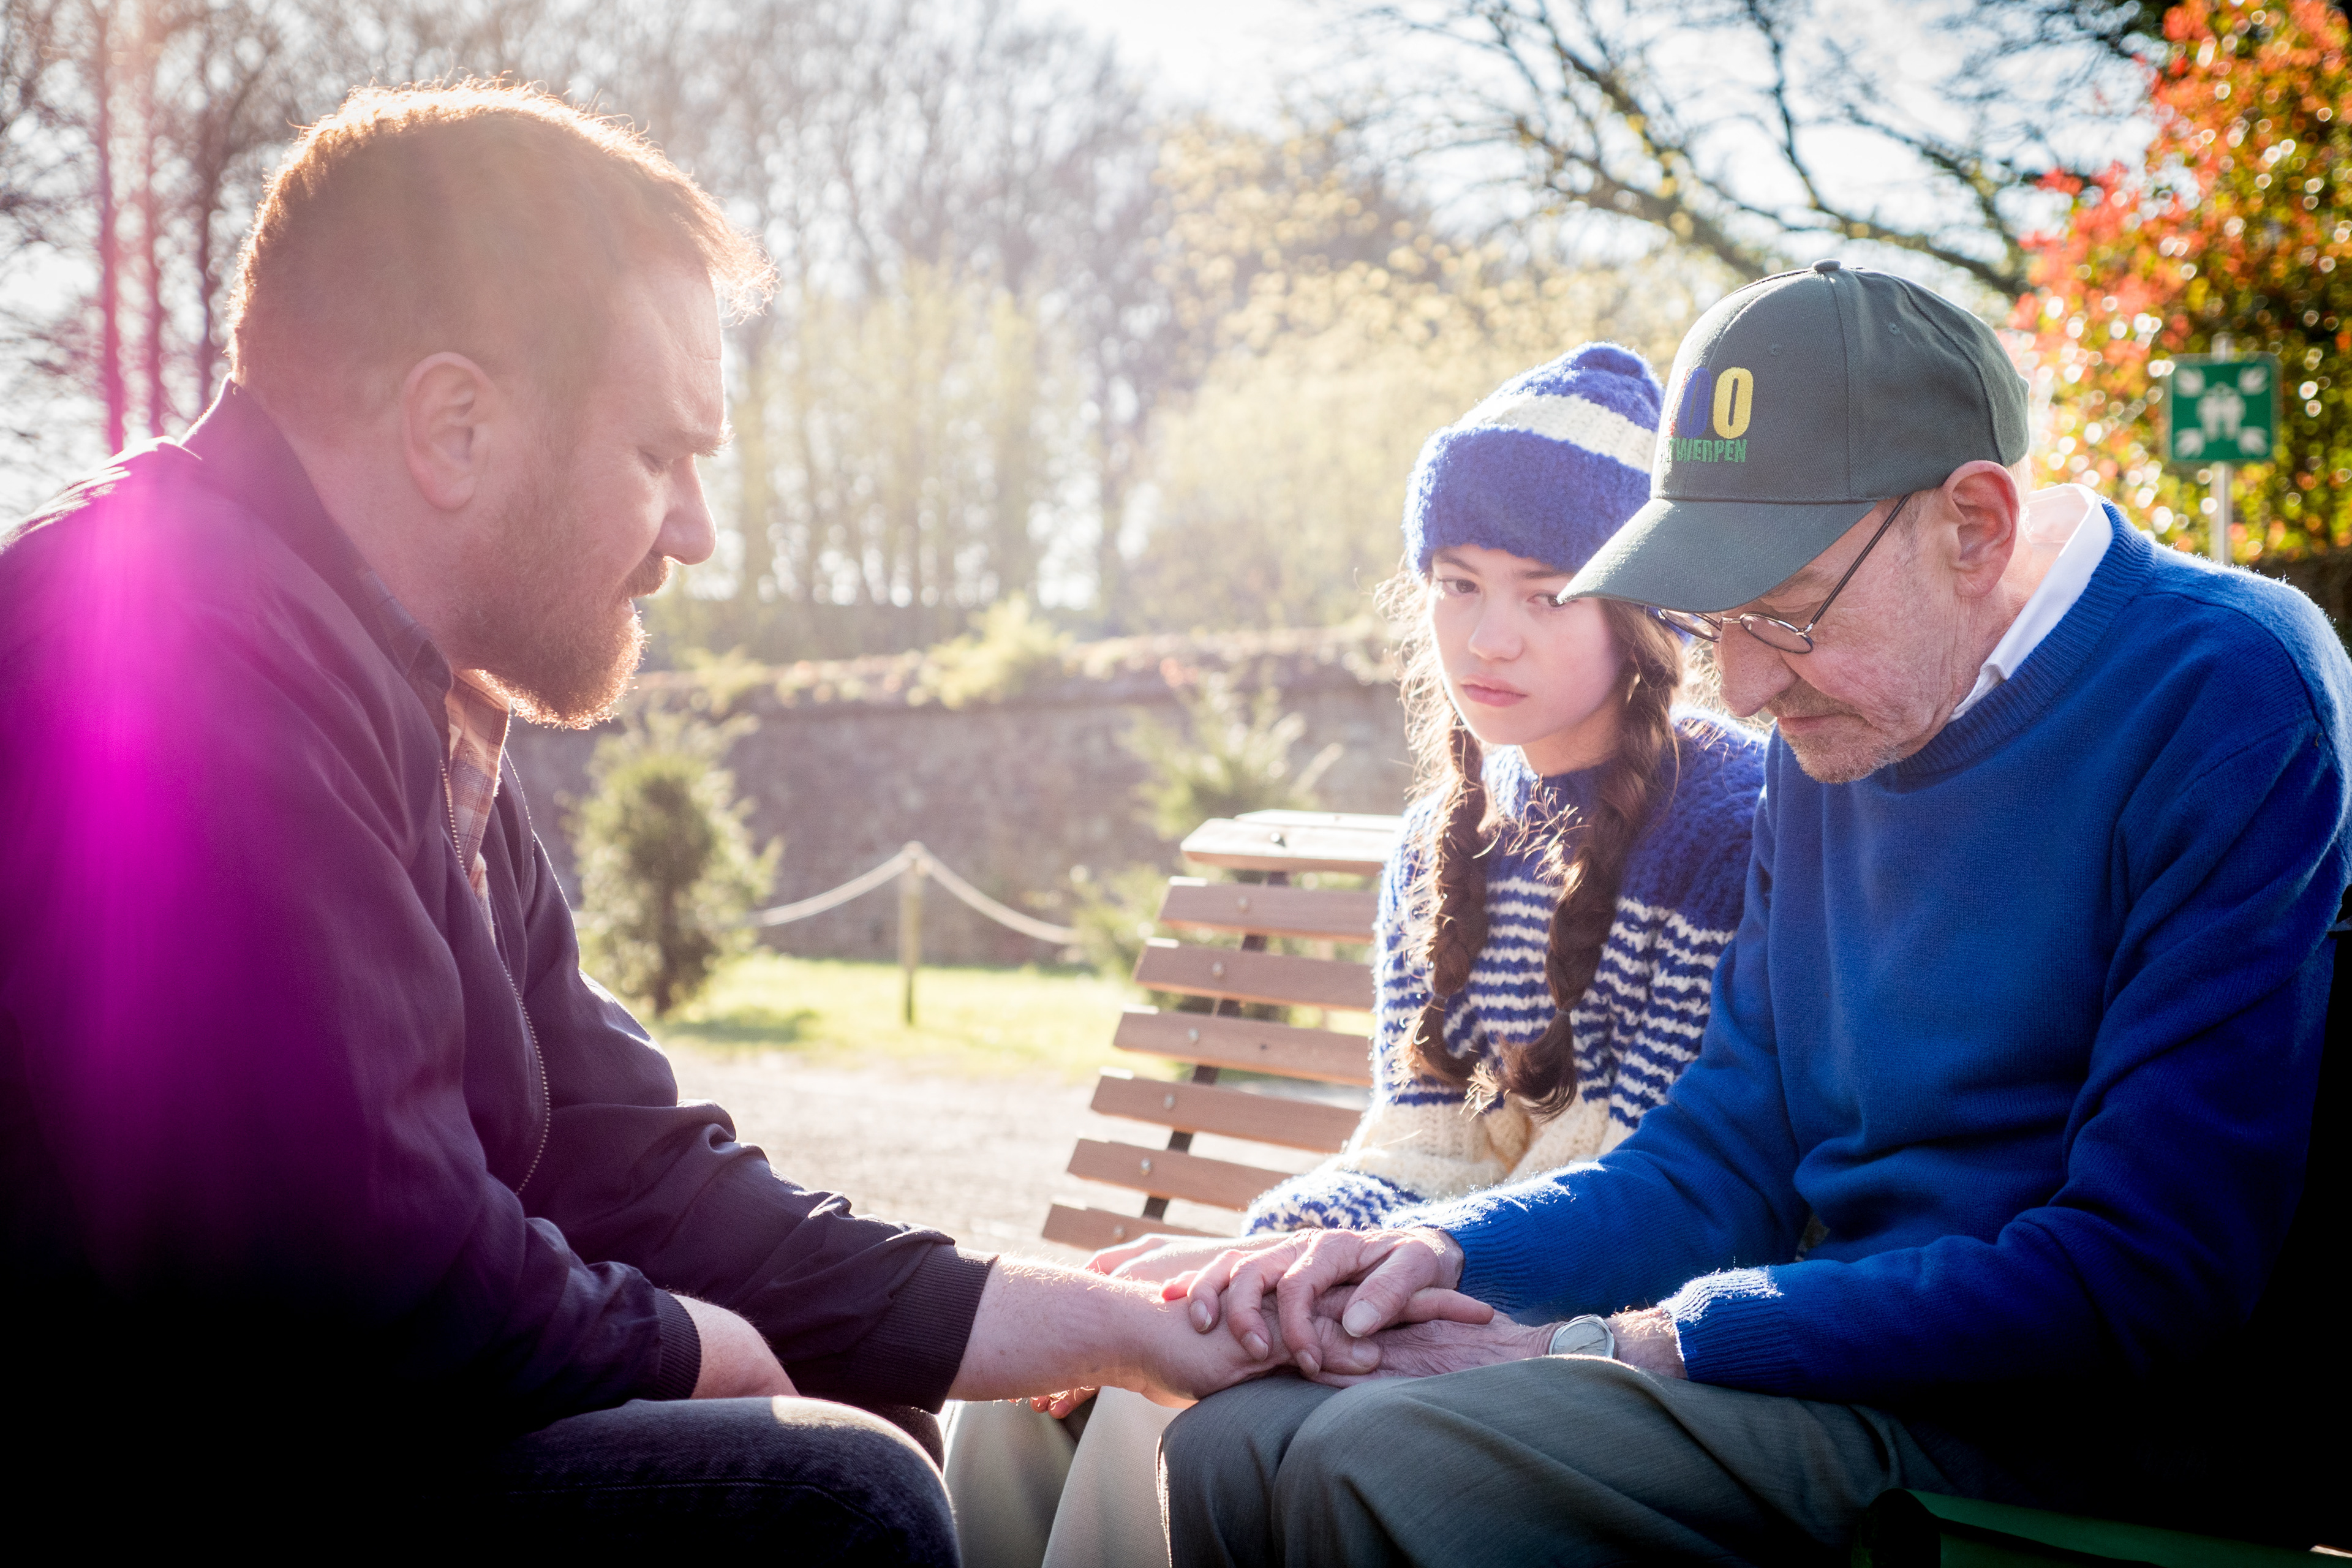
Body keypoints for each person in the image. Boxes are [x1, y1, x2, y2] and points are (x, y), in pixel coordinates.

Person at [0, 83, 1384, 1553]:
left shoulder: (397, 680)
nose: (695, 532)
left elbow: (636, 1175)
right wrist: (692, 1348)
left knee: (851, 1418)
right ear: (454, 426)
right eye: (660, 454)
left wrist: (1116, 1320)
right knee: (828, 1495)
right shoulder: (176, 648)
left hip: (297, 1431)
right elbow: (361, 1263)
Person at [1157, 260, 2352, 1563]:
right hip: (1838, 1370)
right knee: (1235, 1436)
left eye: (1782, 611)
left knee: (1383, 1461)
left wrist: (1633, 1343)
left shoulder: (2226, 689)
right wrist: (1431, 1252)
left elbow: (2150, 1270)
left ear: (1974, 524)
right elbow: (1719, 1158)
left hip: (2073, 1433)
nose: (1739, 687)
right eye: (1716, 618)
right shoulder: (1842, 716)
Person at [943, 344, 1764, 1567]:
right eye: (1456, 583)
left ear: (1642, 615)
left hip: (1576, 1303)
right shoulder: (1445, 839)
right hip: (1423, 1264)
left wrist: (1315, 1287)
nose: (1488, 636)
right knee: (1030, 1394)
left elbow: (1638, 1178)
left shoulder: (1723, 824)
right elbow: (1418, 1151)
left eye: (1546, 595)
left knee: (1153, 1410)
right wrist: (1256, 1261)